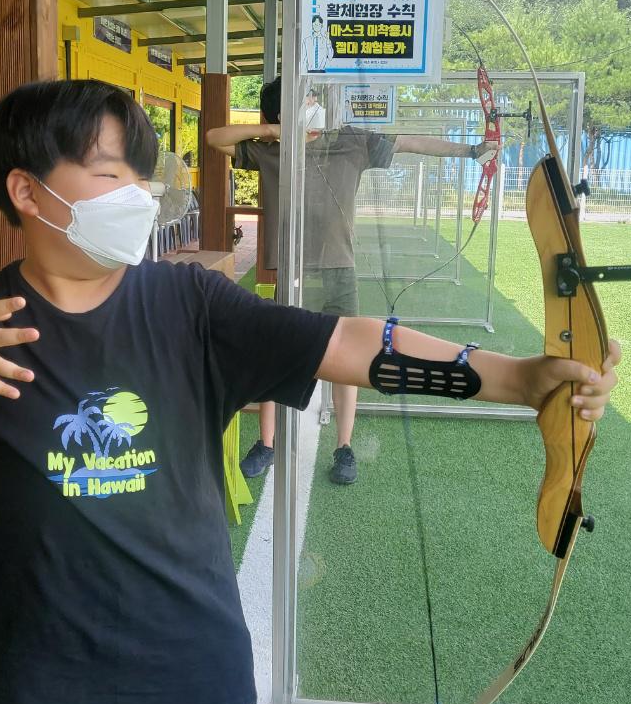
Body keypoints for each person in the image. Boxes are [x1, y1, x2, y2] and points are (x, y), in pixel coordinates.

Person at [0, 80, 619, 704]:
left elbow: (349, 339)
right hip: (41, 661)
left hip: (191, 650)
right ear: (28, 191)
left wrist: (515, 378)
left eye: (140, 175)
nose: (135, 194)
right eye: (110, 174)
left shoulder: (188, 305)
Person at [206, 77, 501, 485]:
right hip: (292, 270)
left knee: (348, 360)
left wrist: (471, 150)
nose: (314, 102)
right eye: (304, 99)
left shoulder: (351, 140)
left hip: (339, 268)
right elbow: (214, 138)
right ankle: (267, 443)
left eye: (312, 96)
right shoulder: (271, 150)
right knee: (276, 354)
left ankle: (344, 447)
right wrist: (277, 131)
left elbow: (411, 142)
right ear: (284, 111)